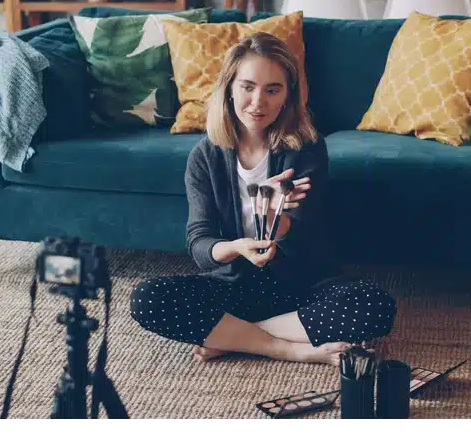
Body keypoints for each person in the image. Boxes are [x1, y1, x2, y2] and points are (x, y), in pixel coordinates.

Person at [130, 31, 397, 366]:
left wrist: (275, 219)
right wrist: (237, 247)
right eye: (248, 87)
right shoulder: (204, 157)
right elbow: (200, 244)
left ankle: (234, 337)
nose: (259, 102)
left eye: (273, 90)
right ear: (228, 88)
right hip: (236, 286)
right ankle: (285, 347)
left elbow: (306, 246)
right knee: (147, 300)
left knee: (375, 307)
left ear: (287, 96)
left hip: (302, 286)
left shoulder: (306, 150)